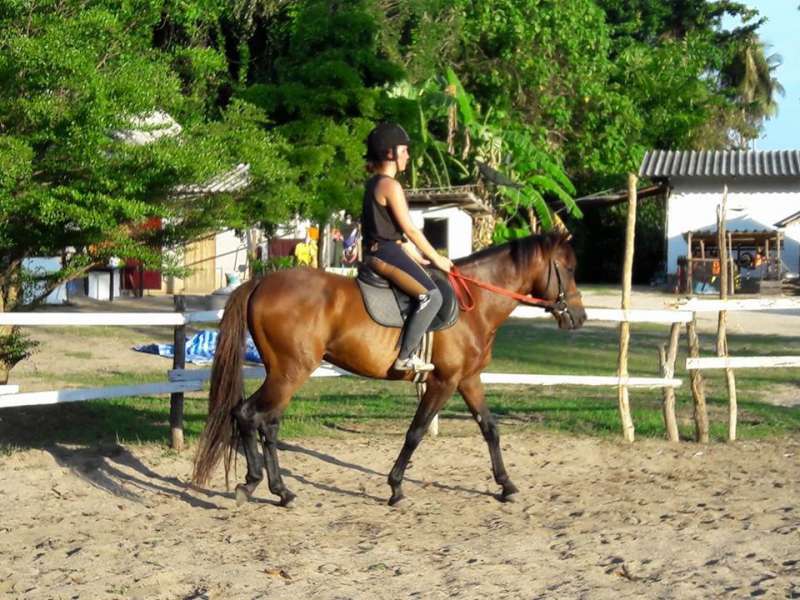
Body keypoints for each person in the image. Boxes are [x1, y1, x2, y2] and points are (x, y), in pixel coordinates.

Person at [362, 122, 453, 372]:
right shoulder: (390, 185)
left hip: (383, 250)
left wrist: (415, 255)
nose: (408, 156)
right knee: (432, 297)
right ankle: (406, 356)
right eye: (404, 151)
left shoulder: (374, 183)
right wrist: (437, 258)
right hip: (385, 254)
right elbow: (410, 229)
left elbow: (392, 231)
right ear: (390, 153)